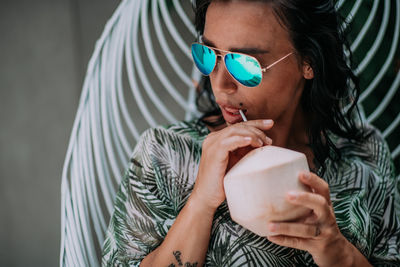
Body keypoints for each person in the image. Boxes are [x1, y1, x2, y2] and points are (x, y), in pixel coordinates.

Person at [102, 0, 400, 266]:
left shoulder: (363, 153)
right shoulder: (165, 152)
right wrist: (201, 202)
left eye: (244, 64)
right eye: (209, 54)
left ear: (308, 61)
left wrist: (337, 251)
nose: (221, 85)